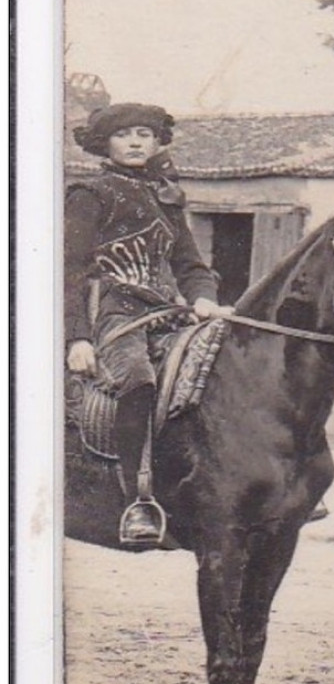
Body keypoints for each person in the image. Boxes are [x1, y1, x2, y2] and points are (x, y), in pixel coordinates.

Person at [64, 103, 231, 545]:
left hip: (167, 313)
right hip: (114, 313)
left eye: (144, 134)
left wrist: (204, 299)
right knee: (138, 381)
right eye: (124, 134)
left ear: (156, 143)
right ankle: (138, 501)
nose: (136, 141)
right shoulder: (89, 193)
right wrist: (78, 337)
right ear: (106, 143)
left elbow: (191, 264)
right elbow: (71, 272)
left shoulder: (165, 197)